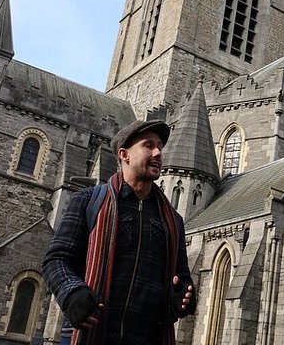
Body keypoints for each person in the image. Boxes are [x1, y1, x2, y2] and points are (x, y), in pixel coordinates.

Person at [42, 120, 196, 345]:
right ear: (124, 155)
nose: (157, 152)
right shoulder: (87, 201)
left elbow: (182, 278)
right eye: (148, 145)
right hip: (91, 335)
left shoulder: (173, 220)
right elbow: (56, 260)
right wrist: (72, 292)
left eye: (160, 147)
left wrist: (181, 296)